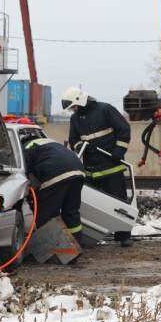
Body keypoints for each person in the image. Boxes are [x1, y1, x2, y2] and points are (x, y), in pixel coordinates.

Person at [62, 87, 134, 247]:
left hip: (112, 165)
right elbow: (73, 140)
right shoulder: (75, 118)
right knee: (89, 204)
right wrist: (82, 146)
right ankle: (92, 234)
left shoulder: (105, 109)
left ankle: (124, 236)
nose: (73, 110)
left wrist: (118, 151)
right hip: (90, 168)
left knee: (119, 204)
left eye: (73, 106)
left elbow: (124, 129)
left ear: (80, 101)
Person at [23, 136, 86, 243]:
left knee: (47, 213)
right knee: (71, 211)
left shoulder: (26, 146)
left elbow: (24, 168)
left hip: (56, 173)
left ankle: (46, 247)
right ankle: (76, 244)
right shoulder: (51, 142)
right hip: (78, 171)